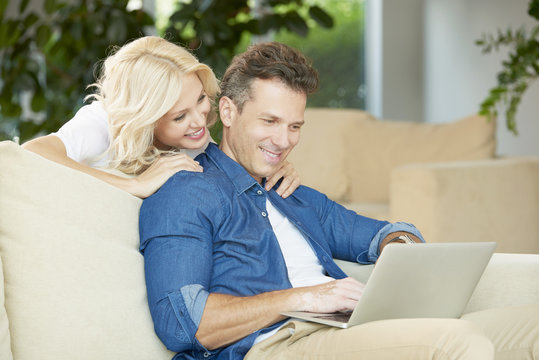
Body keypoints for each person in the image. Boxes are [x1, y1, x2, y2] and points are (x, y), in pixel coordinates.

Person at [139, 42, 497, 359]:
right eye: (270, 121)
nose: (283, 141)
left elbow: (384, 233)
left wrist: (402, 249)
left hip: (342, 330)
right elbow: (182, 323)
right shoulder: (187, 190)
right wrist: (305, 298)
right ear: (229, 112)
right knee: (459, 341)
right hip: (271, 345)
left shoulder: (292, 194)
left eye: (295, 126)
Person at [21, 36, 300, 199]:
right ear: (147, 119)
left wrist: (269, 168)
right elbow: (32, 153)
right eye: (180, 116)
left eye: (201, 99)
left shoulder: (196, 144)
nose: (200, 122)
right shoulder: (102, 122)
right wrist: (134, 185)